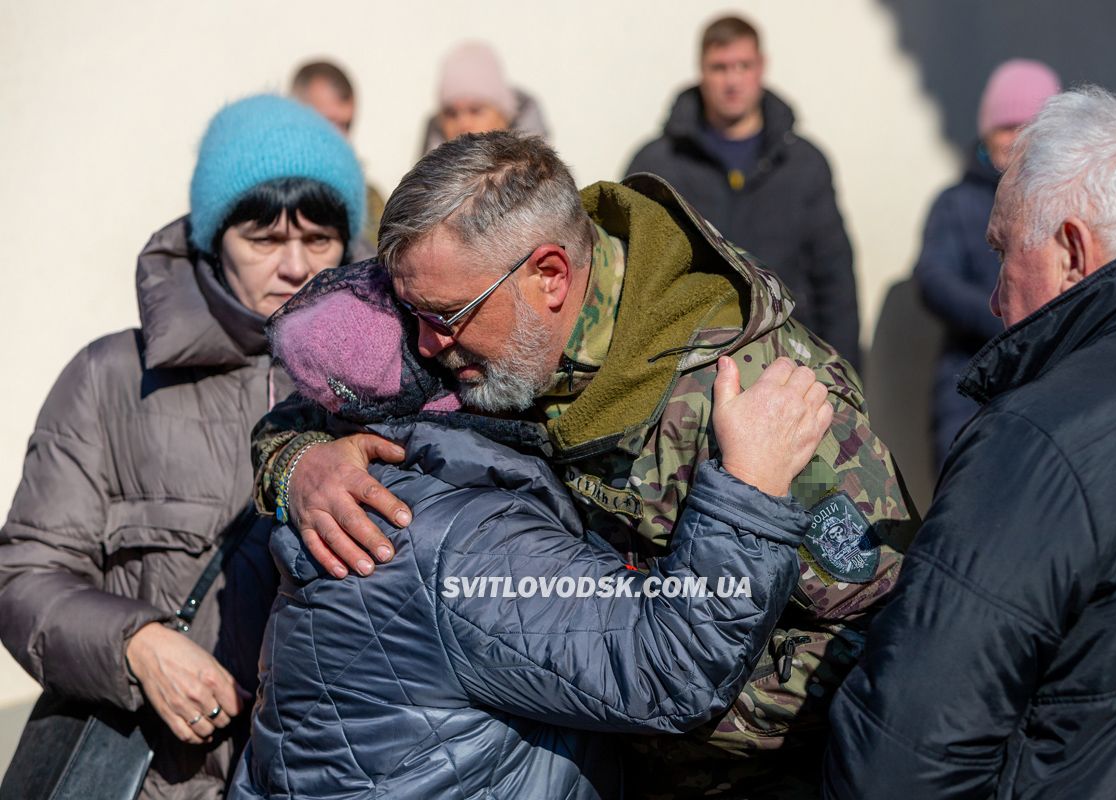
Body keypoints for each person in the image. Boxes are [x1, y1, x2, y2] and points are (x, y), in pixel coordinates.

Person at [251, 131, 917, 797]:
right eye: (413, 314)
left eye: (445, 317)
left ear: (550, 276)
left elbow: (878, 636)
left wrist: (633, 719)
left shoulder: (751, 398)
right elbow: (324, 388)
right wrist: (301, 465)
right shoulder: (477, 329)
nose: (427, 343)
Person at [226, 258, 832, 799]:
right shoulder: (462, 539)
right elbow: (667, 662)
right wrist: (748, 488)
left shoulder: (355, 485)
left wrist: (294, 457)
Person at [824, 87, 1116, 799]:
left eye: (1002, 252)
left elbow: (901, 761)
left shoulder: (1040, 439)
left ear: (1071, 252)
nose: (996, 298)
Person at [0, 94, 365, 799]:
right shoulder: (110, 380)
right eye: (263, 239)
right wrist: (133, 645)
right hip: (159, 782)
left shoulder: (387, 392)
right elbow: (24, 574)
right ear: (211, 238)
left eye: (319, 239)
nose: (295, 266)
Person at [626, 15, 861, 368]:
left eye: (743, 65)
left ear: (761, 68)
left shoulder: (804, 163)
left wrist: (844, 373)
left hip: (787, 361)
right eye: (719, 67)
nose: (732, 81)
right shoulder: (657, 164)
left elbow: (835, 279)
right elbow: (634, 277)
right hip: (688, 368)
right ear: (701, 71)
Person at [914, 59, 1060, 468]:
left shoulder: (1062, 204)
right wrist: (1007, 320)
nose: (1014, 139)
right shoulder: (956, 202)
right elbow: (934, 278)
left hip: (1046, 373)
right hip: (970, 376)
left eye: (1027, 128)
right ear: (985, 129)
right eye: (1005, 126)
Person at [292, 60, 388, 246]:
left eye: (346, 125)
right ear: (297, 115)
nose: (341, 138)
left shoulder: (368, 199)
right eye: (330, 123)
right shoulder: (271, 196)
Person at [419, 40, 551, 155]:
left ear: (503, 115)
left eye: (476, 110)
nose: (463, 124)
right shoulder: (421, 180)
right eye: (451, 114)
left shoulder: (545, 179)